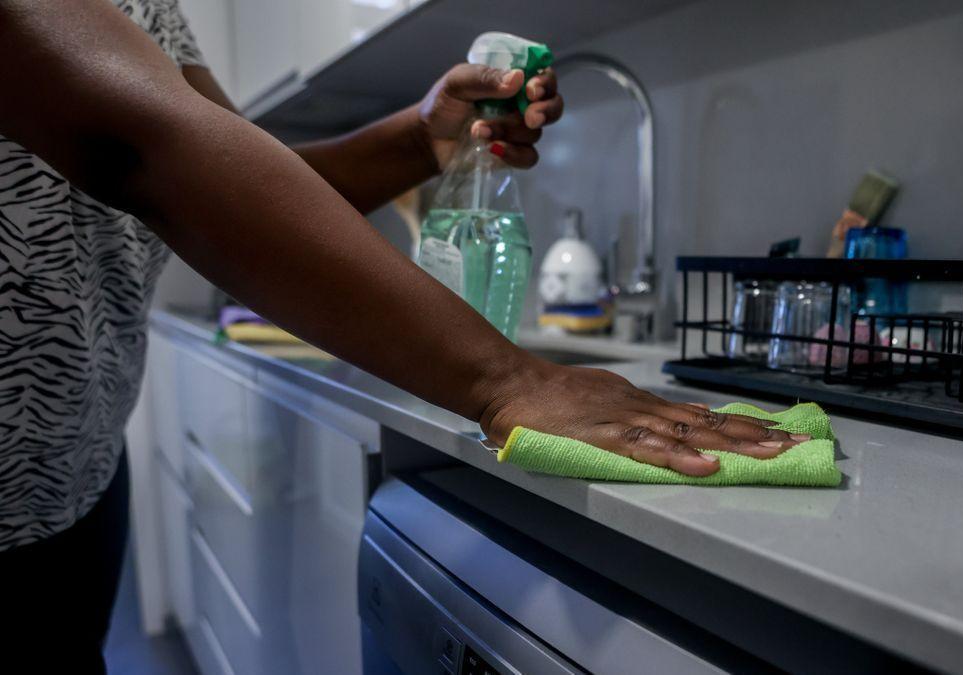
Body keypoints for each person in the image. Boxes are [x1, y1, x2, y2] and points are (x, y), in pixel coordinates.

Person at [0, 1, 806, 669]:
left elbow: (241, 169)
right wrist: (508, 379)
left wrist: (423, 136)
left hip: (77, 474)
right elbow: (148, 147)